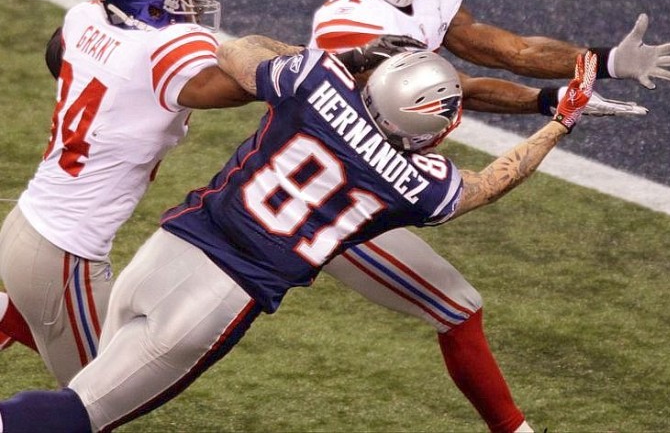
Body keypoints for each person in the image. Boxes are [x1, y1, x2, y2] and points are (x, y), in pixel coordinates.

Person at [0, 33, 599, 433]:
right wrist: (559, 123)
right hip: (218, 298)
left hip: (168, 250)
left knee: (88, 388)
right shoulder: (415, 181)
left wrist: (358, 56)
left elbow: (237, 51)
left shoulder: (316, 82)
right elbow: (492, 181)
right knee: (83, 414)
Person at [306, 0, 670, 432]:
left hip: (381, 175)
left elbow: (493, 44)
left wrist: (601, 61)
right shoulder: (346, 24)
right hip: (337, 193)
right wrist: (546, 100)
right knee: (453, 304)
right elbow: (445, 91)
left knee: (457, 307)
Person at [0, 0, 257, 385]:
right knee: (100, 397)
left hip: (31, 228)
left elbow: (59, 49)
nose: (196, 10)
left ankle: (7, 314)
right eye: (184, 0)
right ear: (152, 9)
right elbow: (241, 85)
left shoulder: (83, 20)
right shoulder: (152, 56)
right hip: (64, 256)